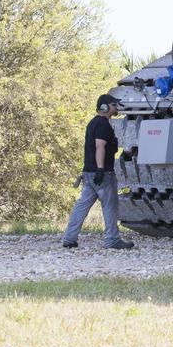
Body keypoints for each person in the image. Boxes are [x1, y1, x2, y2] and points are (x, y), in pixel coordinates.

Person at [61, 94, 135, 250]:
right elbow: (100, 146)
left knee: (82, 206)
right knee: (110, 206)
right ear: (105, 107)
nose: (116, 108)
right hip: (102, 174)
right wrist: (101, 169)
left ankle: (69, 238)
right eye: (114, 105)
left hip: (88, 173)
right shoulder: (103, 125)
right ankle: (112, 239)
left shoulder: (93, 123)